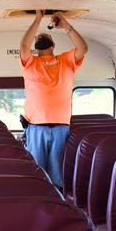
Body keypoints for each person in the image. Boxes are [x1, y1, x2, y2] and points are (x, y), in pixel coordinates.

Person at [19, 10, 88, 189]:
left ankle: (58, 207)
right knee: (37, 175)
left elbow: (83, 49)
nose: (41, 35)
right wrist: (38, 19)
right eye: (39, 35)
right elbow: (24, 48)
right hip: (36, 127)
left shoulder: (65, 60)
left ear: (53, 45)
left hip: (61, 127)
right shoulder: (30, 63)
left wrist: (67, 27)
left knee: (57, 177)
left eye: (44, 33)